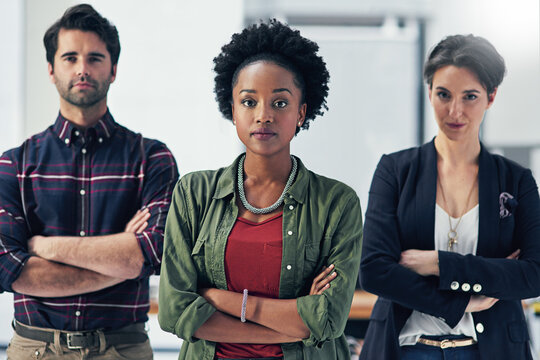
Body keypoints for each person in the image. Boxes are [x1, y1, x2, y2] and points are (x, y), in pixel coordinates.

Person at [158, 20, 363, 360]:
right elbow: (175, 311)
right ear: (233, 110)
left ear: (301, 112)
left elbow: (327, 321)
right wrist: (295, 321)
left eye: (280, 103)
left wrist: (225, 301)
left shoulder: (337, 203)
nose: (263, 115)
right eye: (249, 101)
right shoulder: (194, 193)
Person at [0, 4, 178, 359]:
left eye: (95, 58)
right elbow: (11, 271)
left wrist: (44, 248)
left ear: (113, 70)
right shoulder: (13, 165)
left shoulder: (152, 159)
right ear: (51, 70)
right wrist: (121, 254)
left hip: (123, 348)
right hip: (36, 349)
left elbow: (151, 255)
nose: (83, 69)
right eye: (70, 57)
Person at [359, 34, 540, 359]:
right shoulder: (394, 171)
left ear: (491, 96)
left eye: (470, 96)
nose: (455, 111)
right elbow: (374, 270)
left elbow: (533, 275)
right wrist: (462, 301)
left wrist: (439, 264)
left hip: (491, 350)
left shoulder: (516, 179)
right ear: (429, 93)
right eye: (443, 94)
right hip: (407, 349)